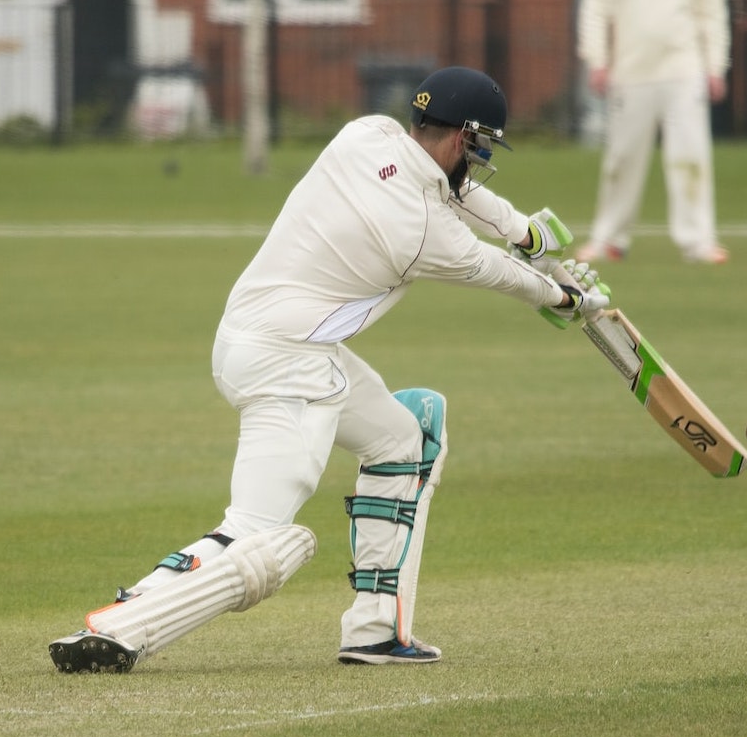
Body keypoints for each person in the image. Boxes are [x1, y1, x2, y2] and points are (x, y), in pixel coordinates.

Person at [47, 66, 610, 673]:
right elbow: (489, 268)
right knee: (261, 536)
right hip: (290, 362)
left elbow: (460, 194)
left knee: (406, 438)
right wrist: (565, 298)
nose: (477, 160)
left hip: (254, 339)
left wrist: (527, 233)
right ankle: (123, 624)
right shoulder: (423, 232)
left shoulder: (364, 135)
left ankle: (374, 631)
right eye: (478, 146)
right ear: (461, 139)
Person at [575, 0, 731, 265]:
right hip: (631, 71)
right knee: (622, 159)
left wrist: (716, 66)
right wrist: (598, 61)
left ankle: (697, 242)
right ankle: (610, 239)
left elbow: (712, 12)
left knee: (690, 156)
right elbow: (596, 7)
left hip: (684, 69)